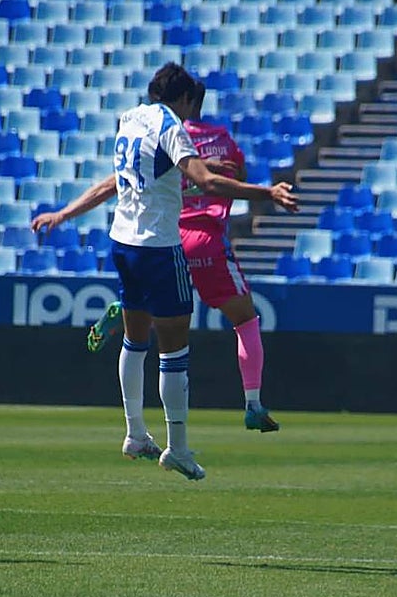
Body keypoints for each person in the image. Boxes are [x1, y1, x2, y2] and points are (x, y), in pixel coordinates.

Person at [31, 63, 299, 480]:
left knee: (136, 341)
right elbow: (206, 181)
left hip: (122, 243)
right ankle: (177, 447)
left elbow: (115, 184)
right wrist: (266, 193)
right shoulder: (173, 126)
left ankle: (135, 433)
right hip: (160, 246)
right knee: (174, 349)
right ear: (186, 98)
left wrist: (64, 213)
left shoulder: (130, 119)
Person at [85, 99, 281, 433]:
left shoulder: (159, 131)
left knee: (148, 311)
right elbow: (237, 175)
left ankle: (129, 306)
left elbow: (119, 181)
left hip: (168, 236)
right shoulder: (220, 138)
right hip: (205, 239)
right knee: (245, 319)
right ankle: (253, 404)